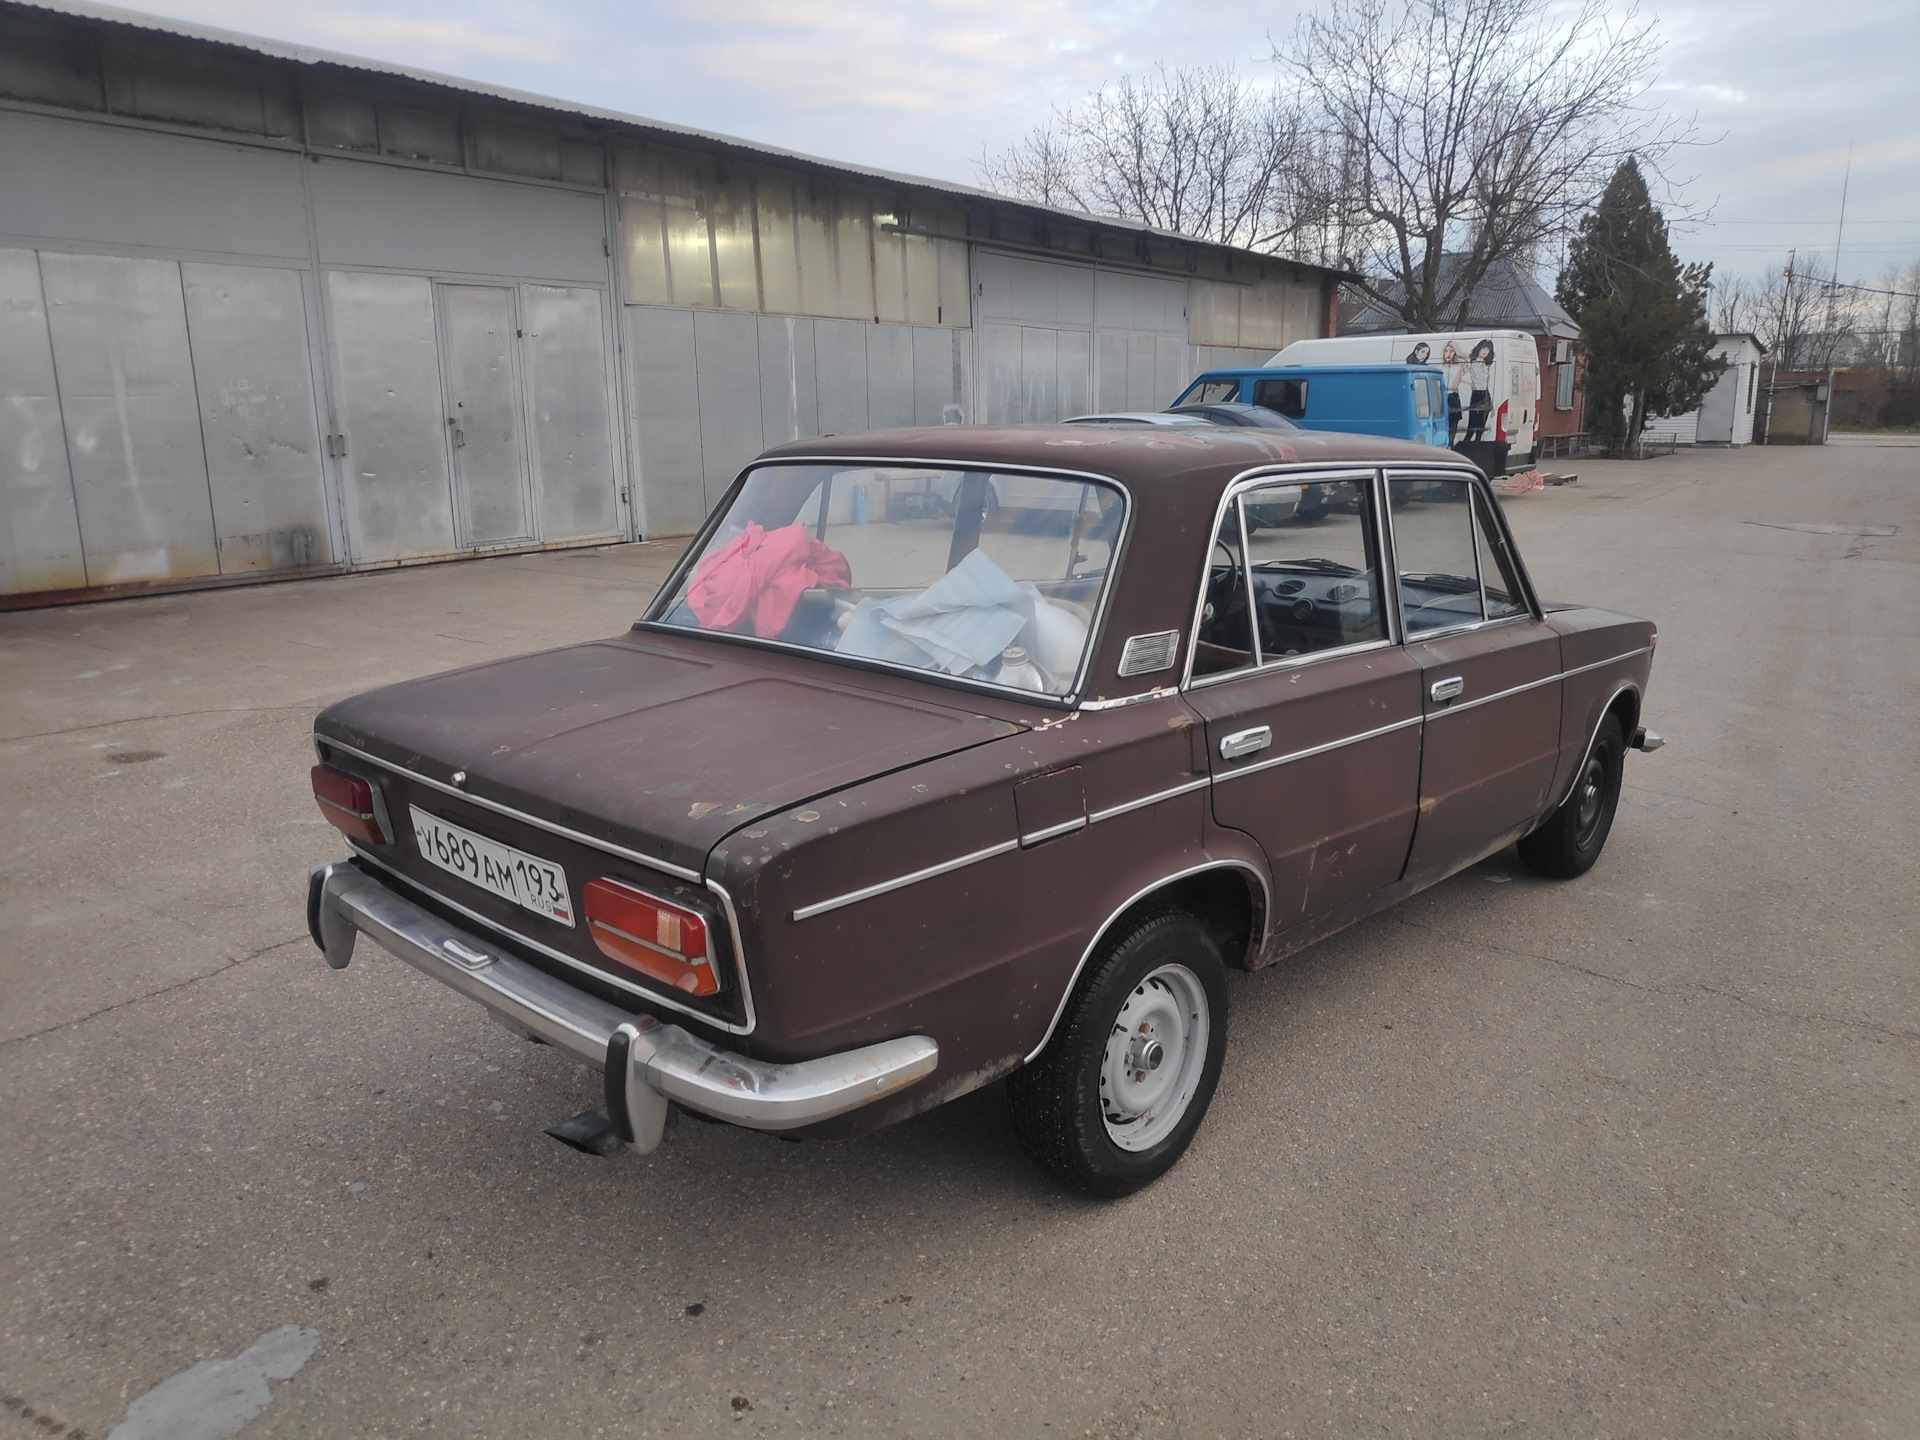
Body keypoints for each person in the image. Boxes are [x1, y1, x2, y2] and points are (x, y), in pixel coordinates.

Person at [1464, 339, 1495, 443]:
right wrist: (1469, 383)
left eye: (1488, 349)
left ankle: (1477, 446)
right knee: (1472, 425)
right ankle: (1466, 446)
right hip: (1476, 394)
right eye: (1483, 348)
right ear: (1479, 348)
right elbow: (1459, 373)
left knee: (1481, 427)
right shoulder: (1471, 363)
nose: (1485, 351)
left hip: (1485, 395)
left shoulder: (1487, 365)